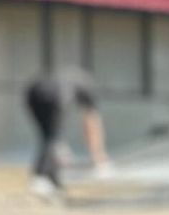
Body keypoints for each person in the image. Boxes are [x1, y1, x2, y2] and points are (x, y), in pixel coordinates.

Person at [24, 66, 107, 197]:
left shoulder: (74, 77)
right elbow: (91, 124)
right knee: (53, 138)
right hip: (56, 93)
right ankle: (40, 179)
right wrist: (99, 157)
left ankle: (52, 180)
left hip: (33, 90)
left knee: (48, 137)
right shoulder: (88, 87)